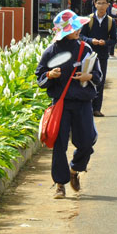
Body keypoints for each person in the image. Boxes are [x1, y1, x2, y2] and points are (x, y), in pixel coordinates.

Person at [35, 10, 102, 199]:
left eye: (78, 27)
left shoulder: (85, 48)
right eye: (74, 28)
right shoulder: (50, 51)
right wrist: (50, 75)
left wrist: (89, 76)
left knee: (87, 142)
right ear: (64, 32)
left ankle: (75, 169)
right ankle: (59, 184)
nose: (78, 31)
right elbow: (40, 77)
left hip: (82, 103)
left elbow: (98, 75)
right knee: (59, 144)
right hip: (61, 104)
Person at [80, 0, 117, 117]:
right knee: (87, 80)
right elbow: (81, 36)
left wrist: (105, 42)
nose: (101, 6)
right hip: (88, 56)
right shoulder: (88, 20)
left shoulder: (111, 21)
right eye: (99, 3)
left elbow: (114, 40)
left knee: (100, 81)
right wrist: (91, 41)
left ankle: (97, 108)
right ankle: (87, 108)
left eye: (104, 3)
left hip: (102, 56)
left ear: (108, 5)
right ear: (95, 4)